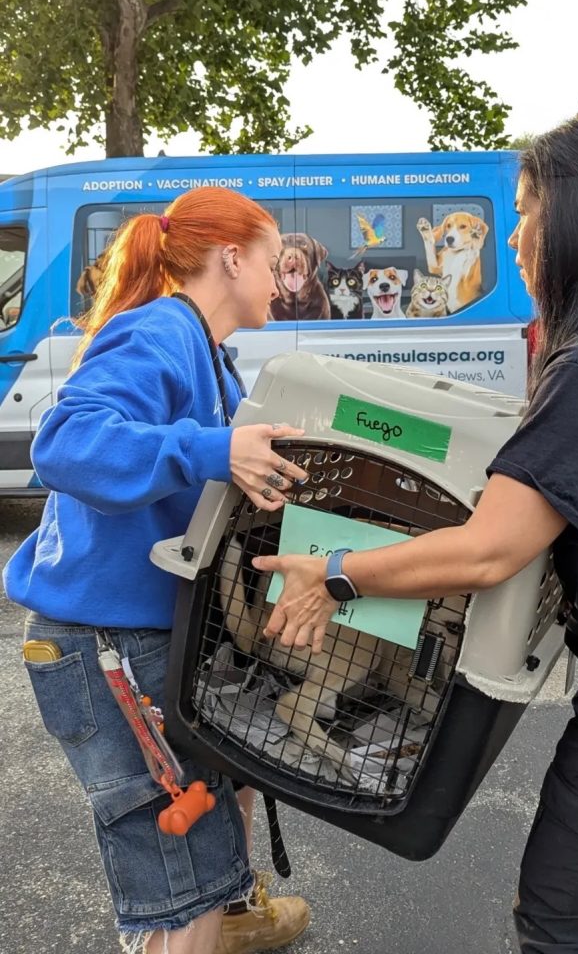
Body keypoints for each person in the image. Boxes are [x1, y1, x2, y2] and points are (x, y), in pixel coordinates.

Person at [255, 108, 578, 954]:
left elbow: (489, 546)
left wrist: (336, 571)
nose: (513, 240)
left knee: (560, 929)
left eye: (526, 213)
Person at [3, 186, 312, 954]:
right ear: (232, 257)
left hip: (139, 634)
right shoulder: (158, 331)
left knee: (212, 815)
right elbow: (67, 444)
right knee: (178, 874)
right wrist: (215, 450)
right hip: (106, 644)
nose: (283, 282)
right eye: (275, 264)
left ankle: (234, 917)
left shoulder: (206, 350)